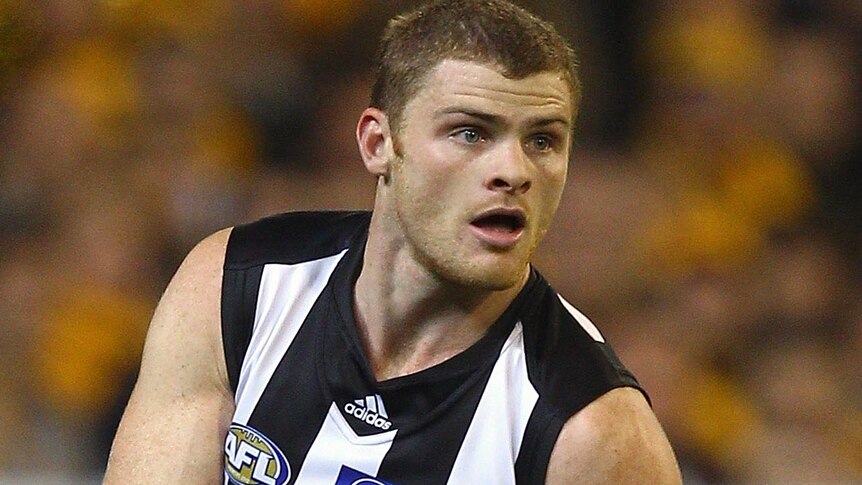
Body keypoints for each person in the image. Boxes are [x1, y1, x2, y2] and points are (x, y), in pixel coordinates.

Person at [104, 0, 682, 483]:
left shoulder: (593, 430)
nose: (514, 170)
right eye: (470, 132)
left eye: (543, 141)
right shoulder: (236, 287)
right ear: (379, 143)